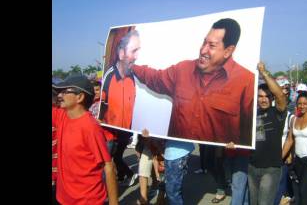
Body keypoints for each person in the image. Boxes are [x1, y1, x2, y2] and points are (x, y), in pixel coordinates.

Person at [130, 18, 254, 146]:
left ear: (228, 51)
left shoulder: (247, 81)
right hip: (176, 156)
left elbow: (249, 131)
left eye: (211, 46)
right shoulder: (182, 70)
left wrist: (239, 150)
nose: (203, 50)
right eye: (204, 43)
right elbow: (155, 78)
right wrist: (131, 66)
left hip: (219, 160)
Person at [52, 74, 118, 205]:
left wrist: (113, 202)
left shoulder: (90, 127)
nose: (59, 95)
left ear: (80, 97)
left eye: (65, 92)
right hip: (63, 198)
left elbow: (108, 166)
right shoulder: (62, 117)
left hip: (87, 200)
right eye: (59, 92)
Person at [99, 29, 140, 185]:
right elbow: (100, 107)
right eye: (134, 51)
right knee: (106, 162)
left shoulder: (134, 79)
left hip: (125, 133)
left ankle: (125, 176)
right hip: (109, 133)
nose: (137, 56)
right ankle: (120, 179)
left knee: (115, 158)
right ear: (122, 53)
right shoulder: (108, 77)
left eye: (138, 51)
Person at [247, 62, 287, 205]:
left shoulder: (277, 113)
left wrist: (264, 73)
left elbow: (280, 95)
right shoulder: (253, 114)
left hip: (271, 169)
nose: (263, 99)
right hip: (252, 166)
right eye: (260, 96)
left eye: (266, 96)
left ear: (271, 98)